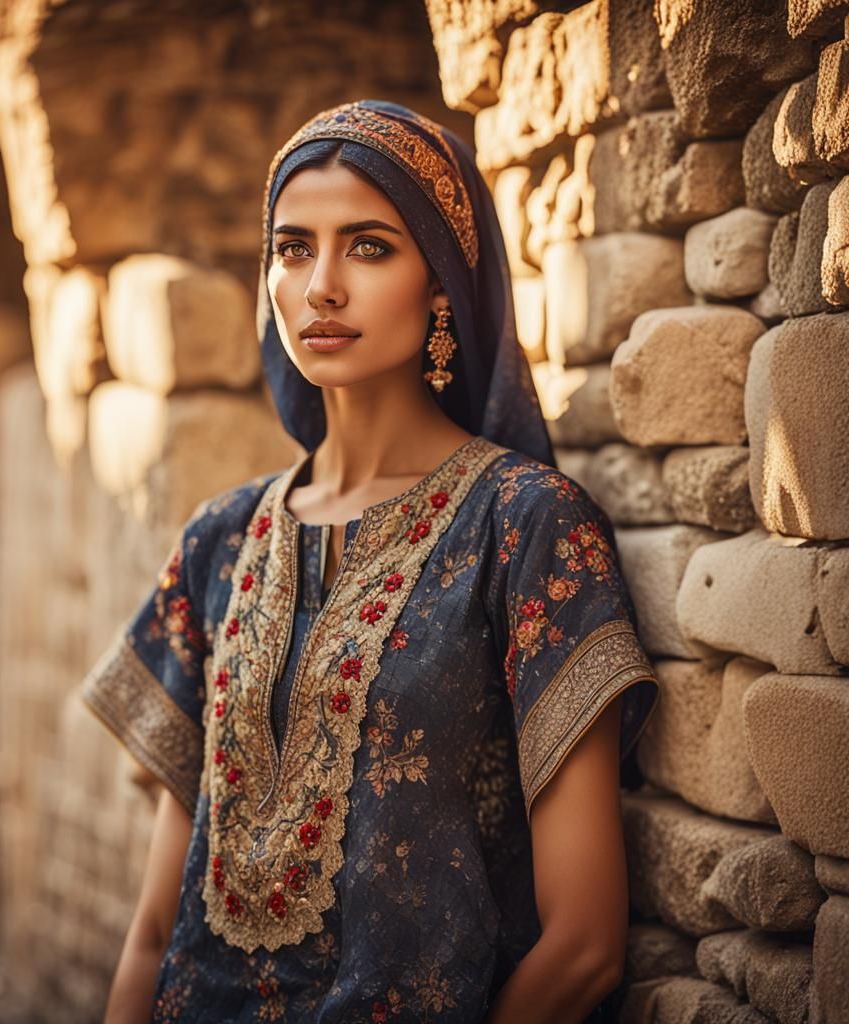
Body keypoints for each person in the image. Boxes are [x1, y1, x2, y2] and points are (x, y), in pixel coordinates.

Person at [81, 99, 660, 1024]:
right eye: (293, 246)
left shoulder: (524, 528)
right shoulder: (218, 543)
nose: (321, 286)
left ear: (443, 284)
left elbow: (586, 945)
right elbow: (154, 928)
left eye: (370, 246)